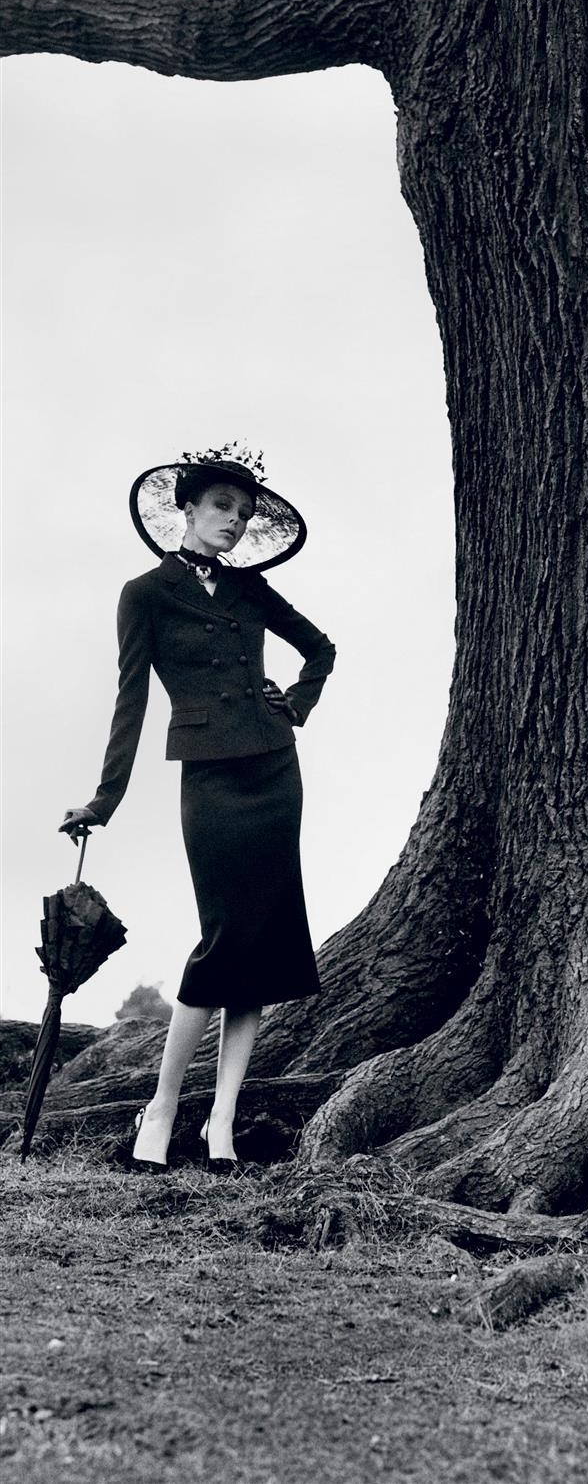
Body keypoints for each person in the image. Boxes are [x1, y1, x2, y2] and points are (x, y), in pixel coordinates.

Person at [59, 447, 336, 1173]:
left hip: (274, 771)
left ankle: (223, 1121)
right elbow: (130, 702)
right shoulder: (144, 594)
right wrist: (104, 801)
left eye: (243, 514)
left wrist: (294, 705)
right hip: (210, 778)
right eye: (222, 507)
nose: (234, 523)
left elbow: (320, 650)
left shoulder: (250, 588)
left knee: (263, 944)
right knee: (222, 939)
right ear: (187, 508)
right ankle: (162, 1106)